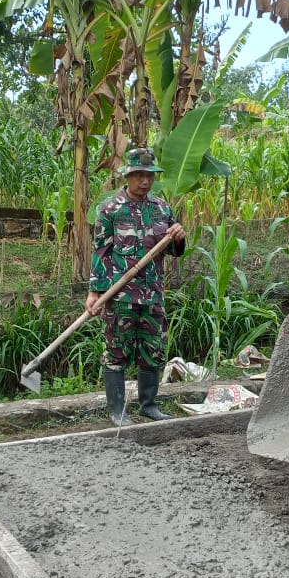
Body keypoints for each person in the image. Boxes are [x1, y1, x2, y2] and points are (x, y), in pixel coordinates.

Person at [86, 146, 187, 425]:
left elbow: (175, 251)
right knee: (117, 353)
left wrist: (178, 237)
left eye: (150, 175)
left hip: (153, 294)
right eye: (139, 174)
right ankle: (117, 411)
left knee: (152, 350)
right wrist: (94, 292)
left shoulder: (162, 209)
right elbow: (100, 253)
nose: (145, 181)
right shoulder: (109, 210)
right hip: (120, 296)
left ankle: (148, 405)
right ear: (127, 176)